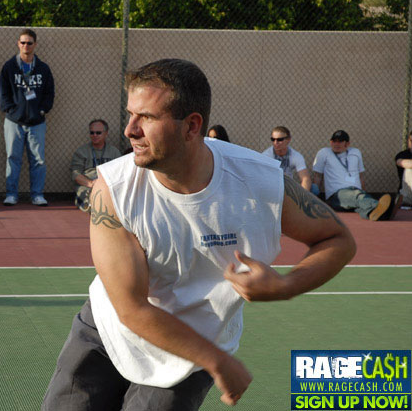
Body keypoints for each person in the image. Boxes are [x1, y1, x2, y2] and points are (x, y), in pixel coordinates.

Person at [42, 59, 356, 411]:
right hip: (107, 330)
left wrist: (286, 286)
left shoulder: (261, 183)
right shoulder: (112, 191)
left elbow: (338, 238)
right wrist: (219, 362)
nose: (130, 130)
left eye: (146, 117)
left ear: (192, 126)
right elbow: (131, 309)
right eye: (130, 114)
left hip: (193, 347)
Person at [0, 28, 55, 206]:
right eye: (22, 42)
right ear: (18, 44)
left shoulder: (43, 68)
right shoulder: (9, 67)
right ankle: (11, 194)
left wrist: (42, 110)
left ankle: (37, 194)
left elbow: (49, 93)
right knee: (12, 158)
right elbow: (3, 92)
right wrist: (10, 110)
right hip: (14, 121)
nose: (26, 46)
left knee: (38, 159)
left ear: (35, 45)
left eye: (29, 43)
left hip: (37, 121)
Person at [313, 130, 399, 221]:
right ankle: (382, 207)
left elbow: (361, 176)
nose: (336, 144)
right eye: (334, 141)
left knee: (360, 205)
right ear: (330, 142)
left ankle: (379, 215)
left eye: (340, 141)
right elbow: (317, 176)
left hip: (356, 192)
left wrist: (364, 192)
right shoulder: (324, 153)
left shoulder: (356, 152)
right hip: (336, 195)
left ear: (347, 144)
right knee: (357, 196)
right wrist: (314, 199)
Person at [70, 119, 121, 212]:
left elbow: (121, 173)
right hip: (88, 184)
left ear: (106, 133)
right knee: (90, 200)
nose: (94, 135)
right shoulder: (81, 151)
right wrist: (91, 183)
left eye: (98, 133)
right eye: (92, 132)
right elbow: (75, 174)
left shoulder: (114, 152)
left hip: (108, 183)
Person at [262, 126, 312, 191]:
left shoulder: (295, 156)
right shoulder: (266, 155)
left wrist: (303, 197)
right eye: (273, 139)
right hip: (270, 188)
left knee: (313, 188)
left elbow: (305, 178)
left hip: (288, 188)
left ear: (288, 140)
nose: (275, 142)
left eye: (280, 140)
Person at [395, 130, 412, 207]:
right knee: (409, 169)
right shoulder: (402, 155)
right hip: (407, 194)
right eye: (411, 140)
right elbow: (400, 162)